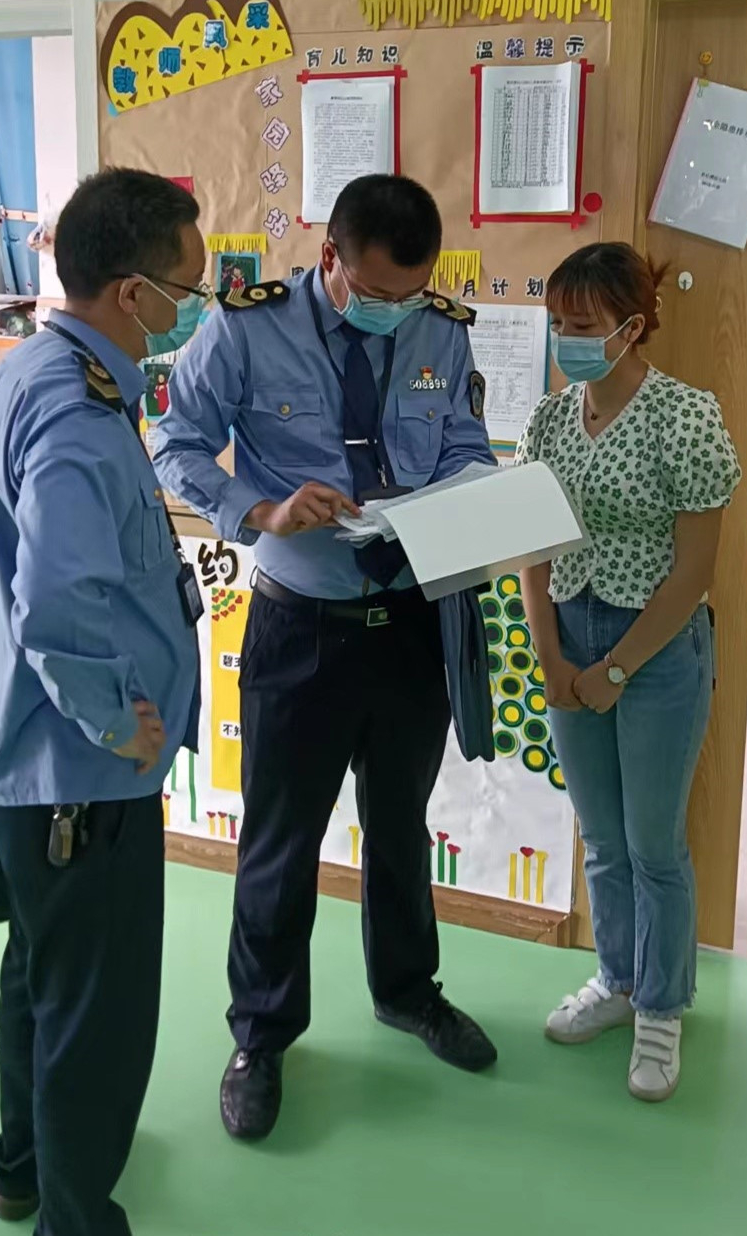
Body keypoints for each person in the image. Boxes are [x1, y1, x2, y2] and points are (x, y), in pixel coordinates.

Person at [153, 173, 498, 1143]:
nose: (397, 310)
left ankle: (408, 992)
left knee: (399, 828)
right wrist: (260, 509)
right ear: (329, 257)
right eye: (378, 293)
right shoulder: (245, 328)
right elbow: (175, 444)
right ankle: (261, 1036)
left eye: (413, 293)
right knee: (280, 840)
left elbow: (465, 444)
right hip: (300, 624)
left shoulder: (440, 330)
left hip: (411, 620)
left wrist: (467, 491)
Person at [0, 168, 207, 1235]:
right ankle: (73, 1214)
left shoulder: (36, 367)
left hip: (23, 755)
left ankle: (23, 1168)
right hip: (80, 775)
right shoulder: (75, 415)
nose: (193, 305)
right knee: (94, 1014)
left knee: (43, 974)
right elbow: (55, 600)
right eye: (185, 287)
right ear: (130, 290)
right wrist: (113, 716)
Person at [514, 243, 741, 1102]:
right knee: (601, 837)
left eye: (581, 325)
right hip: (568, 634)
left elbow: (693, 571)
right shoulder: (548, 420)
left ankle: (660, 1005)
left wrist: (615, 670)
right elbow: (532, 546)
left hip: (656, 645)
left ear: (631, 327)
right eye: (556, 323)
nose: (564, 340)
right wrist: (550, 655)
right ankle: (615, 978)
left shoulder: (684, 417)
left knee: (653, 844)